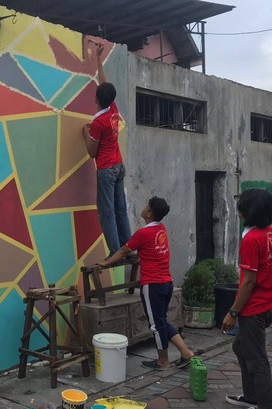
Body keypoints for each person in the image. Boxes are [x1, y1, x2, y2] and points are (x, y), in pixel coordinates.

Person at [98, 197, 194, 369]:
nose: (143, 207)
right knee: (162, 321)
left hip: (153, 284)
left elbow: (123, 250)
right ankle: (186, 353)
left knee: (156, 325)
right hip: (166, 282)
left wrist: (107, 263)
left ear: (149, 213)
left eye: (146, 206)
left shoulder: (143, 233)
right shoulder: (161, 229)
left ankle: (163, 361)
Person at [222, 188, 272, 409]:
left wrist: (232, 313)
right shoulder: (271, 233)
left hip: (255, 309)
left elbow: (248, 282)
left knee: (257, 358)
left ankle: (264, 408)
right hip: (269, 304)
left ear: (250, 210)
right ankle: (250, 395)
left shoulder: (252, 239)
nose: (238, 209)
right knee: (240, 347)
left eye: (242, 205)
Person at [82, 42, 131, 257]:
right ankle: (127, 248)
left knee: (107, 211)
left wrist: (85, 132)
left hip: (106, 169)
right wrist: (98, 59)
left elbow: (92, 152)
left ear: (95, 99)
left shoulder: (99, 122)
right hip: (119, 166)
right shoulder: (113, 109)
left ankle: (114, 251)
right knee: (121, 210)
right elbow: (104, 83)